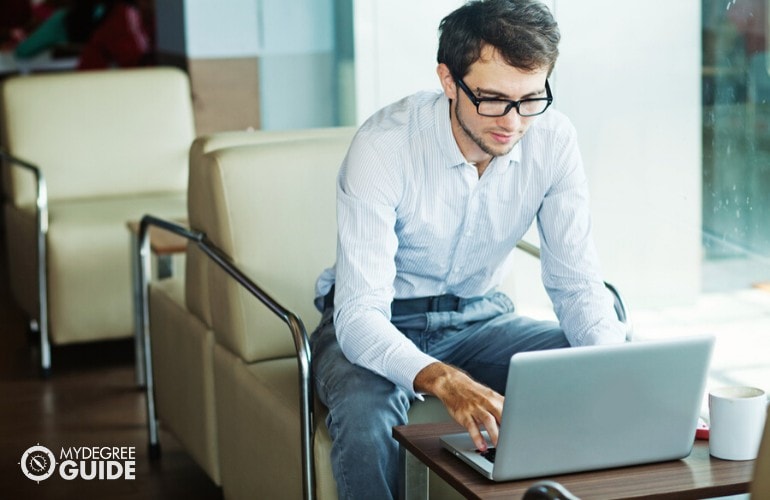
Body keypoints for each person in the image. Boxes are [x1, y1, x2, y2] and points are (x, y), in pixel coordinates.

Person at [310, 0, 627, 498]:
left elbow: (577, 286)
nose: (514, 122)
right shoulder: (384, 147)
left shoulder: (553, 141)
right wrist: (443, 380)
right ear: (447, 80)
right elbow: (359, 316)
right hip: (384, 319)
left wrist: (613, 370)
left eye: (530, 99)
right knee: (365, 414)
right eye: (493, 99)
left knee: (599, 363)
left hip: (482, 319)